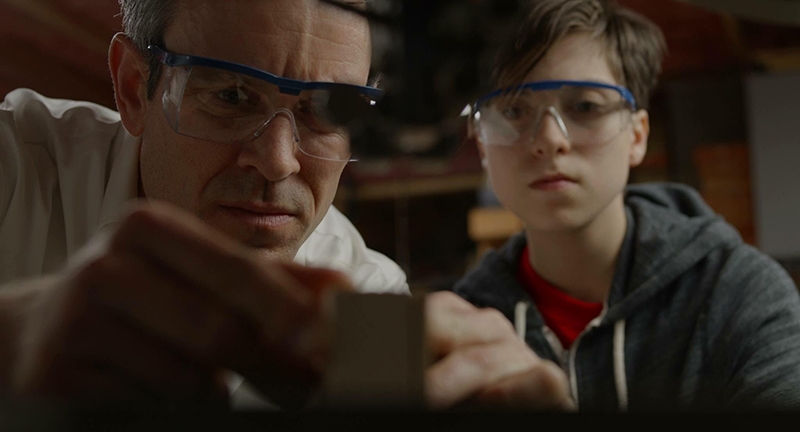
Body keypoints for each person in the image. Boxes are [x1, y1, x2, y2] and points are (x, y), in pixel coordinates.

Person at [0, 0, 573, 412]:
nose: (278, 161)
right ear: (132, 89)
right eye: (229, 95)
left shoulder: (365, 290)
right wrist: (17, 339)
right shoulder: (18, 165)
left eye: (331, 109)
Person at [454, 0, 800, 413]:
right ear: (482, 145)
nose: (548, 138)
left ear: (636, 137)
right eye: (513, 110)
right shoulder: (464, 327)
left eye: (585, 106)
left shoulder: (740, 296)